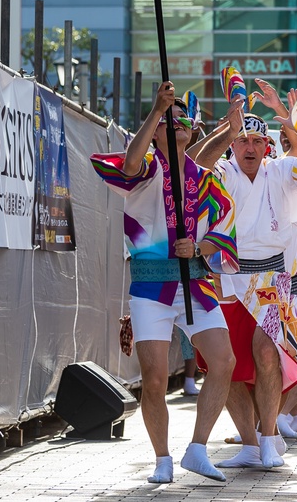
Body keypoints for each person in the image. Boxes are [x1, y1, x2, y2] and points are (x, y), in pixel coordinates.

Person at [90, 82, 238, 484]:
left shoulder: (207, 182)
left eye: (182, 121)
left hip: (195, 284)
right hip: (151, 286)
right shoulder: (147, 169)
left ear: (192, 132)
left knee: (224, 362)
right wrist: (156, 109)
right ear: (156, 131)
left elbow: (225, 231)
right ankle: (161, 457)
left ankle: (197, 449)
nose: (176, 125)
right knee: (154, 379)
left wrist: (200, 247)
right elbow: (128, 166)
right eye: (168, 122)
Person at [200, 88, 297, 469]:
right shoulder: (224, 169)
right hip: (227, 277)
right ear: (234, 143)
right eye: (242, 140)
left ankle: (269, 438)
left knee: (267, 354)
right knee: (224, 364)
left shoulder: (280, 169)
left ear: (268, 145)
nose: (249, 147)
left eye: (257, 140)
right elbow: (193, 166)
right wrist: (223, 132)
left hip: (272, 277)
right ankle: (250, 444)